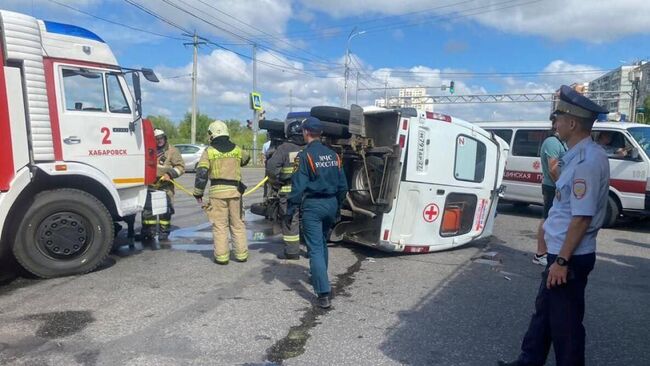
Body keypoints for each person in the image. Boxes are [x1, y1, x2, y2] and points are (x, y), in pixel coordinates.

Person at [499, 85, 610, 366]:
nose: (555, 123)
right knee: (544, 315)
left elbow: (581, 217)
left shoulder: (586, 161)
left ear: (572, 123)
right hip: (561, 254)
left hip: (569, 257)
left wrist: (561, 261)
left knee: (566, 327)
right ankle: (528, 362)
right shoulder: (577, 155)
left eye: (558, 118)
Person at [287, 117, 348, 309]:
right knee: (321, 243)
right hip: (331, 204)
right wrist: (337, 207)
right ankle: (320, 277)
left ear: (305, 132)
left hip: (313, 205)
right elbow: (343, 186)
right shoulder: (333, 156)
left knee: (314, 249)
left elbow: (297, 188)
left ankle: (323, 292)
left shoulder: (304, 156)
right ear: (320, 133)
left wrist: (290, 209)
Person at [193, 120, 251, 265]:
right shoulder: (237, 149)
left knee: (220, 226)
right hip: (235, 192)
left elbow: (202, 173)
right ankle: (241, 254)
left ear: (212, 134)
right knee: (237, 224)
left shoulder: (209, 151)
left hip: (217, 194)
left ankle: (222, 257)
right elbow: (246, 159)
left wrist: (198, 192)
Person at [266, 120, 305, 260]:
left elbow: (271, 168)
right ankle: (313, 251)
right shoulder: (309, 147)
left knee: (290, 221)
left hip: (289, 191)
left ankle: (292, 252)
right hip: (309, 192)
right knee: (310, 221)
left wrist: (276, 183)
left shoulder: (284, 148)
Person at [534, 114, 567, 266]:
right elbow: (553, 168)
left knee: (552, 219)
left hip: (557, 185)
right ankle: (540, 253)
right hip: (552, 186)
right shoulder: (552, 142)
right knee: (546, 218)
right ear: (555, 124)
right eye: (561, 121)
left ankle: (549, 251)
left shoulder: (561, 142)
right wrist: (561, 186)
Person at [140, 128, 184, 241]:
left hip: (165, 186)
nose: (159, 141)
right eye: (157, 139)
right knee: (148, 211)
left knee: (165, 211)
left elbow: (180, 167)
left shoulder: (172, 151)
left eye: (161, 138)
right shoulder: (149, 150)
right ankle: (148, 232)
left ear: (165, 138)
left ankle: (164, 232)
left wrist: (170, 174)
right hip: (150, 185)